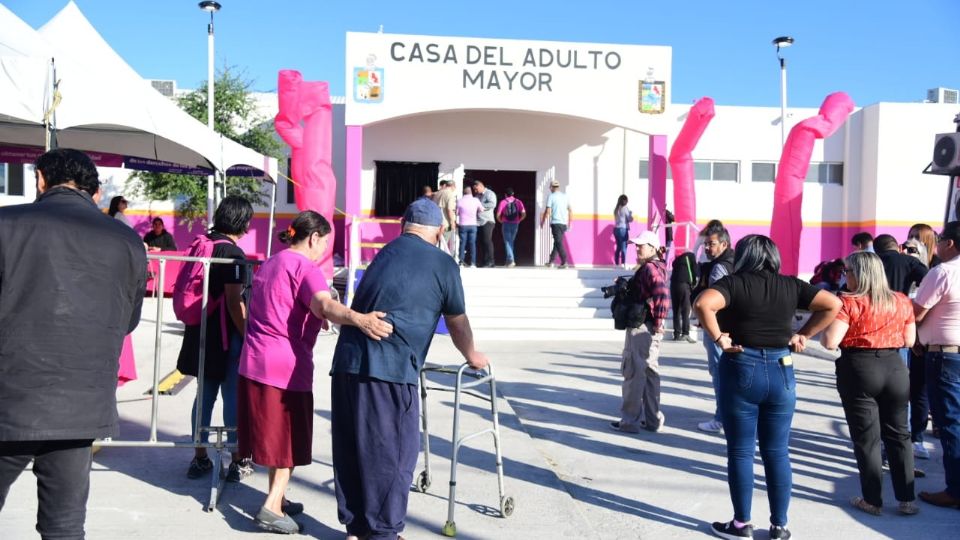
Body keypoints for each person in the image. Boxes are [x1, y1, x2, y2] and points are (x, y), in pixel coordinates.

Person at [0, 148, 147, 538]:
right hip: (81, 403)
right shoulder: (127, 240)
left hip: (10, 398)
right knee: (64, 525)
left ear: (41, 181)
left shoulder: (6, 223)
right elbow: (128, 320)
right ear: (95, 192)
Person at [330, 199, 489, 540]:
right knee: (394, 453)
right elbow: (457, 322)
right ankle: (384, 532)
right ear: (441, 230)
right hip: (389, 370)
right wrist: (472, 353)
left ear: (403, 226)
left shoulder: (384, 254)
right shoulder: (443, 264)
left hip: (346, 364)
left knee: (353, 447)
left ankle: (356, 528)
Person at [238, 211, 393, 534]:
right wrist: (359, 318)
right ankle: (270, 507)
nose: (324, 249)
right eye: (324, 242)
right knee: (290, 439)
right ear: (313, 238)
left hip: (253, 360)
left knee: (274, 438)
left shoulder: (270, 262)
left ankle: (277, 497)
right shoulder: (305, 267)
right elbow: (324, 305)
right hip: (284, 366)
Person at [694, 234, 841, 540]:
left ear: (744, 256)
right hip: (781, 369)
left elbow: (703, 304)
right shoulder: (790, 284)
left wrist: (720, 337)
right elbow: (833, 304)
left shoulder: (734, 284)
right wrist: (804, 334)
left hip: (742, 365)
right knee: (777, 452)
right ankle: (779, 526)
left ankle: (741, 524)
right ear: (773, 256)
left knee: (741, 451)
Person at [821, 251, 918, 516]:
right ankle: (907, 499)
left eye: (847, 272)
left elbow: (830, 341)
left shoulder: (849, 303)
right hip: (895, 367)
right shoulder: (901, 300)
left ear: (860, 274)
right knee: (900, 434)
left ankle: (872, 500)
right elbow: (909, 341)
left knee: (868, 439)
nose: (844, 276)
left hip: (860, 368)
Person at [176, 196, 254, 483]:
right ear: (242, 222)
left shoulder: (202, 244)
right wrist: (248, 336)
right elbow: (235, 302)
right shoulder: (232, 253)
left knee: (204, 396)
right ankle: (236, 460)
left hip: (200, 331)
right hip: (225, 336)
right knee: (231, 396)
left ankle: (200, 458)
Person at [913, 221, 960, 508]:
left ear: (950, 243)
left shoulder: (943, 272)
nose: (937, 245)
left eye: (940, 240)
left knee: (950, 423)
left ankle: (955, 490)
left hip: (944, 356)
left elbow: (917, 312)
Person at [609, 231, 670, 433]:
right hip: (651, 327)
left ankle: (629, 421)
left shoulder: (650, 269)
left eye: (641, 245)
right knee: (650, 372)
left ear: (653, 248)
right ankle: (652, 420)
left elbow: (661, 293)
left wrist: (659, 319)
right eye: (636, 245)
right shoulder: (658, 267)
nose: (637, 248)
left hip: (642, 327)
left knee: (633, 372)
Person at [694, 221, 736, 434]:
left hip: (718, 330)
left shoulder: (720, 267)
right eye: (706, 244)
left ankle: (721, 418)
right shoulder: (733, 261)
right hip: (728, 329)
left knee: (720, 373)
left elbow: (715, 302)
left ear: (724, 244)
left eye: (711, 244)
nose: (707, 248)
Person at [541, 179, 572, 268]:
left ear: (551, 187)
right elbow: (570, 210)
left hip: (556, 223)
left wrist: (543, 221)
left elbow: (548, 210)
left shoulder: (551, 196)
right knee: (557, 242)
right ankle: (551, 261)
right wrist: (570, 223)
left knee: (558, 242)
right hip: (563, 223)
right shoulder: (565, 196)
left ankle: (564, 261)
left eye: (550, 187)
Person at [671, 248, 699, 342]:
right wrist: (695, 282)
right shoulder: (691, 256)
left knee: (676, 310)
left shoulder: (676, 260)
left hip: (673, 285)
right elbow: (695, 269)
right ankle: (685, 334)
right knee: (685, 310)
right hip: (684, 285)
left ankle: (676, 334)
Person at [496, 187, 526, 267]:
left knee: (507, 242)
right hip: (515, 224)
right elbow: (523, 214)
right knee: (511, 242)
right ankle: (508, 261)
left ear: (505, 194)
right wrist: (519, 220)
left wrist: (501, 221)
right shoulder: (518, 202)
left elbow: (498, 215)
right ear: (513, 194)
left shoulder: (503, 202)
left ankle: (511, 260)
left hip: (506, 223)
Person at [456, 186, 483, 267]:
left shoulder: (459, 201)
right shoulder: (476, 200)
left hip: (463, 225)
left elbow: (457, 213)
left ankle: (461, 262)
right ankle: (473, 263)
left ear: (463, 193)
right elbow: (481, 210)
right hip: (473, 224)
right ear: (471, 192)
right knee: (472, 244)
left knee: (462, 243)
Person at [473, 180, 497, 267]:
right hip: (478, 222)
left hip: (487, 221)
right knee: (480, 242)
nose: (475, 191)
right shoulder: (477, 196)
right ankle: (484, 261)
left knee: (487, 241)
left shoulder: (489, 193)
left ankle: (491, 261)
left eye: (476, 189)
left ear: (480, 186)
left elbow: (492, 204)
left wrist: (480, 205)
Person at [436, 180, 458, 256]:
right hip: (445, 223)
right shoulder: (450, 194)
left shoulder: (438, 193)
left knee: (437, 243)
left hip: (436, 222)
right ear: (453, 186)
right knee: (444, 244)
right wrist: (452, 222)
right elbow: (450, 209)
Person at [612, 195, 633, 268]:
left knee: (618, 247)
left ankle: (617, 264)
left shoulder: (616, 209)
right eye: (626, 200)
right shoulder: (625, 208)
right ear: (624, 200)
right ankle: (623, 264)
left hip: (616, 230)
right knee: (624, 247)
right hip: (623, 229)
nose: (627, 201)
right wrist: (630, 214)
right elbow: (630, 219)